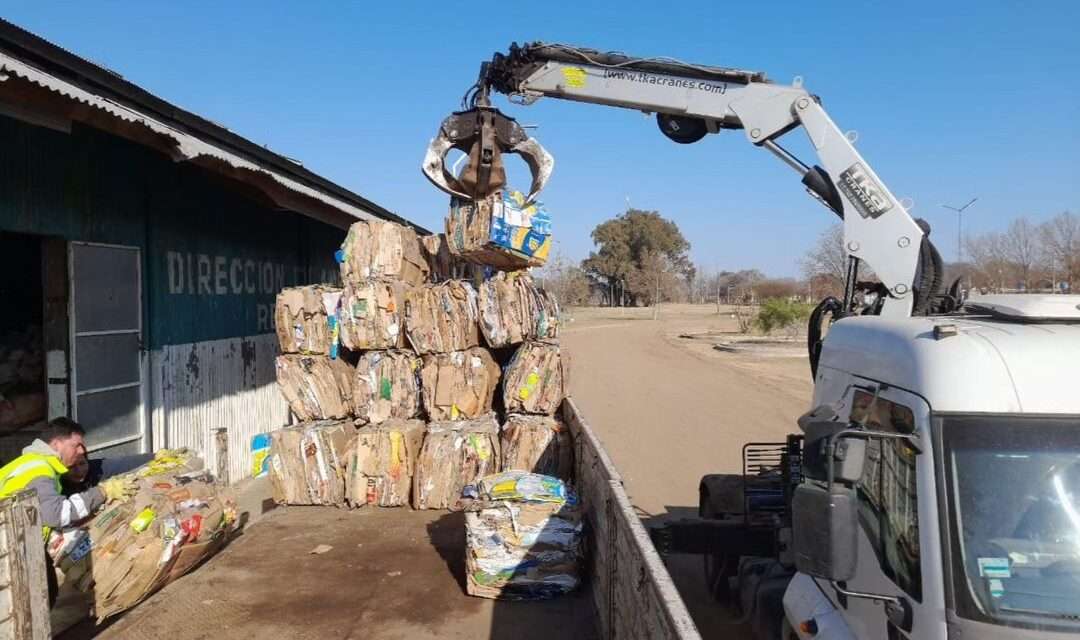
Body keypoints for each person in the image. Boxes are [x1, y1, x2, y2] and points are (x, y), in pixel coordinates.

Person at [0, 417, 138, 539]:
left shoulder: (30, 463)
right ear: (56, 444)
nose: (82, 451)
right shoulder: (39, 470)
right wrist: (102, 492)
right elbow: (57, 514)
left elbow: (38, 515)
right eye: (76, 445)